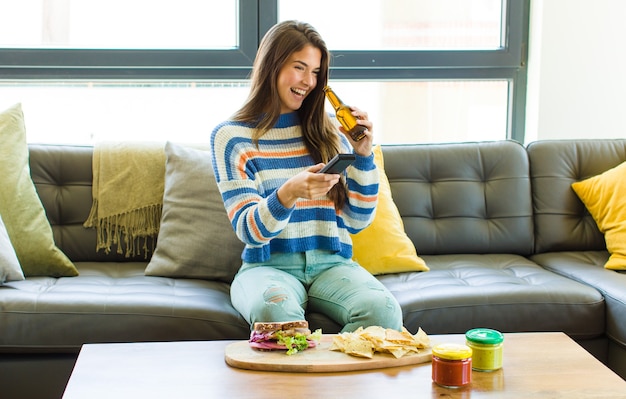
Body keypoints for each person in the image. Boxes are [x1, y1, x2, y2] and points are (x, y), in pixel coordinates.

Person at [210, 20, 403, 333]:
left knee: (384, 313)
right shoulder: (231, 137)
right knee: (274, 314)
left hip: (332, 263)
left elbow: (357, 221)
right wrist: (289, 193)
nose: (308, 81)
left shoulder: (330, 131)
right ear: (272, 66)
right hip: (267, 266)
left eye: (315, 72)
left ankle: (329, 379)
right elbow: (249, 229)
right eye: (300, 67)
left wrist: (364, 155)